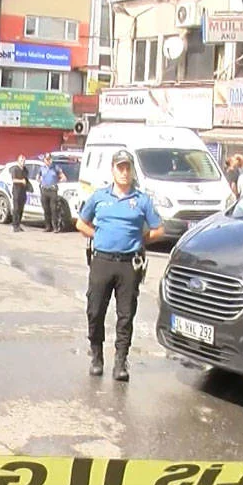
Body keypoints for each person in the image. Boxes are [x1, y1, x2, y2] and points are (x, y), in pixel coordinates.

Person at [76, 150, 163, 382]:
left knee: (126, 315)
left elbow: (158, 229)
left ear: (132, 170)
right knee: (95, 311)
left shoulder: (141, 199)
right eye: (120, 168)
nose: (124, 172)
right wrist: (100, 234)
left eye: (127, 168)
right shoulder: (99, 197)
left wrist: (138, 239)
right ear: (113, 170)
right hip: (102, 261)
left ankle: (121, 361)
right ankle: (96, 355)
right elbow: (80, 223)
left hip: (129, 264)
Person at [38, 154, 67, 232]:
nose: (48, 161)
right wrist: (41, 182)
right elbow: (38, 177)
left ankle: (55, 227)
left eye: (49, 159)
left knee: (53, 209)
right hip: (44, 190)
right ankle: (48, 226)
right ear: (44, 160)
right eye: (46, 159)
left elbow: (64, 177)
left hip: (53, 191)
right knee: (46, 209)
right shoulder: (41, 168)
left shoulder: (55, 168)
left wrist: (57, 182)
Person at [9, 155, 29, 232]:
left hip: (23, 191)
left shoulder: (25, 170)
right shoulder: (15, 169)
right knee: (16, 209)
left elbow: (26, 179)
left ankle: (19, 224)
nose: (23, 162)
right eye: (21, 161)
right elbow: (14, 180)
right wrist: (21, 181)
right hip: (16, 191)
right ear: (18, 161)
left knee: (21, 209)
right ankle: (15, 225)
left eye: (24, 161)